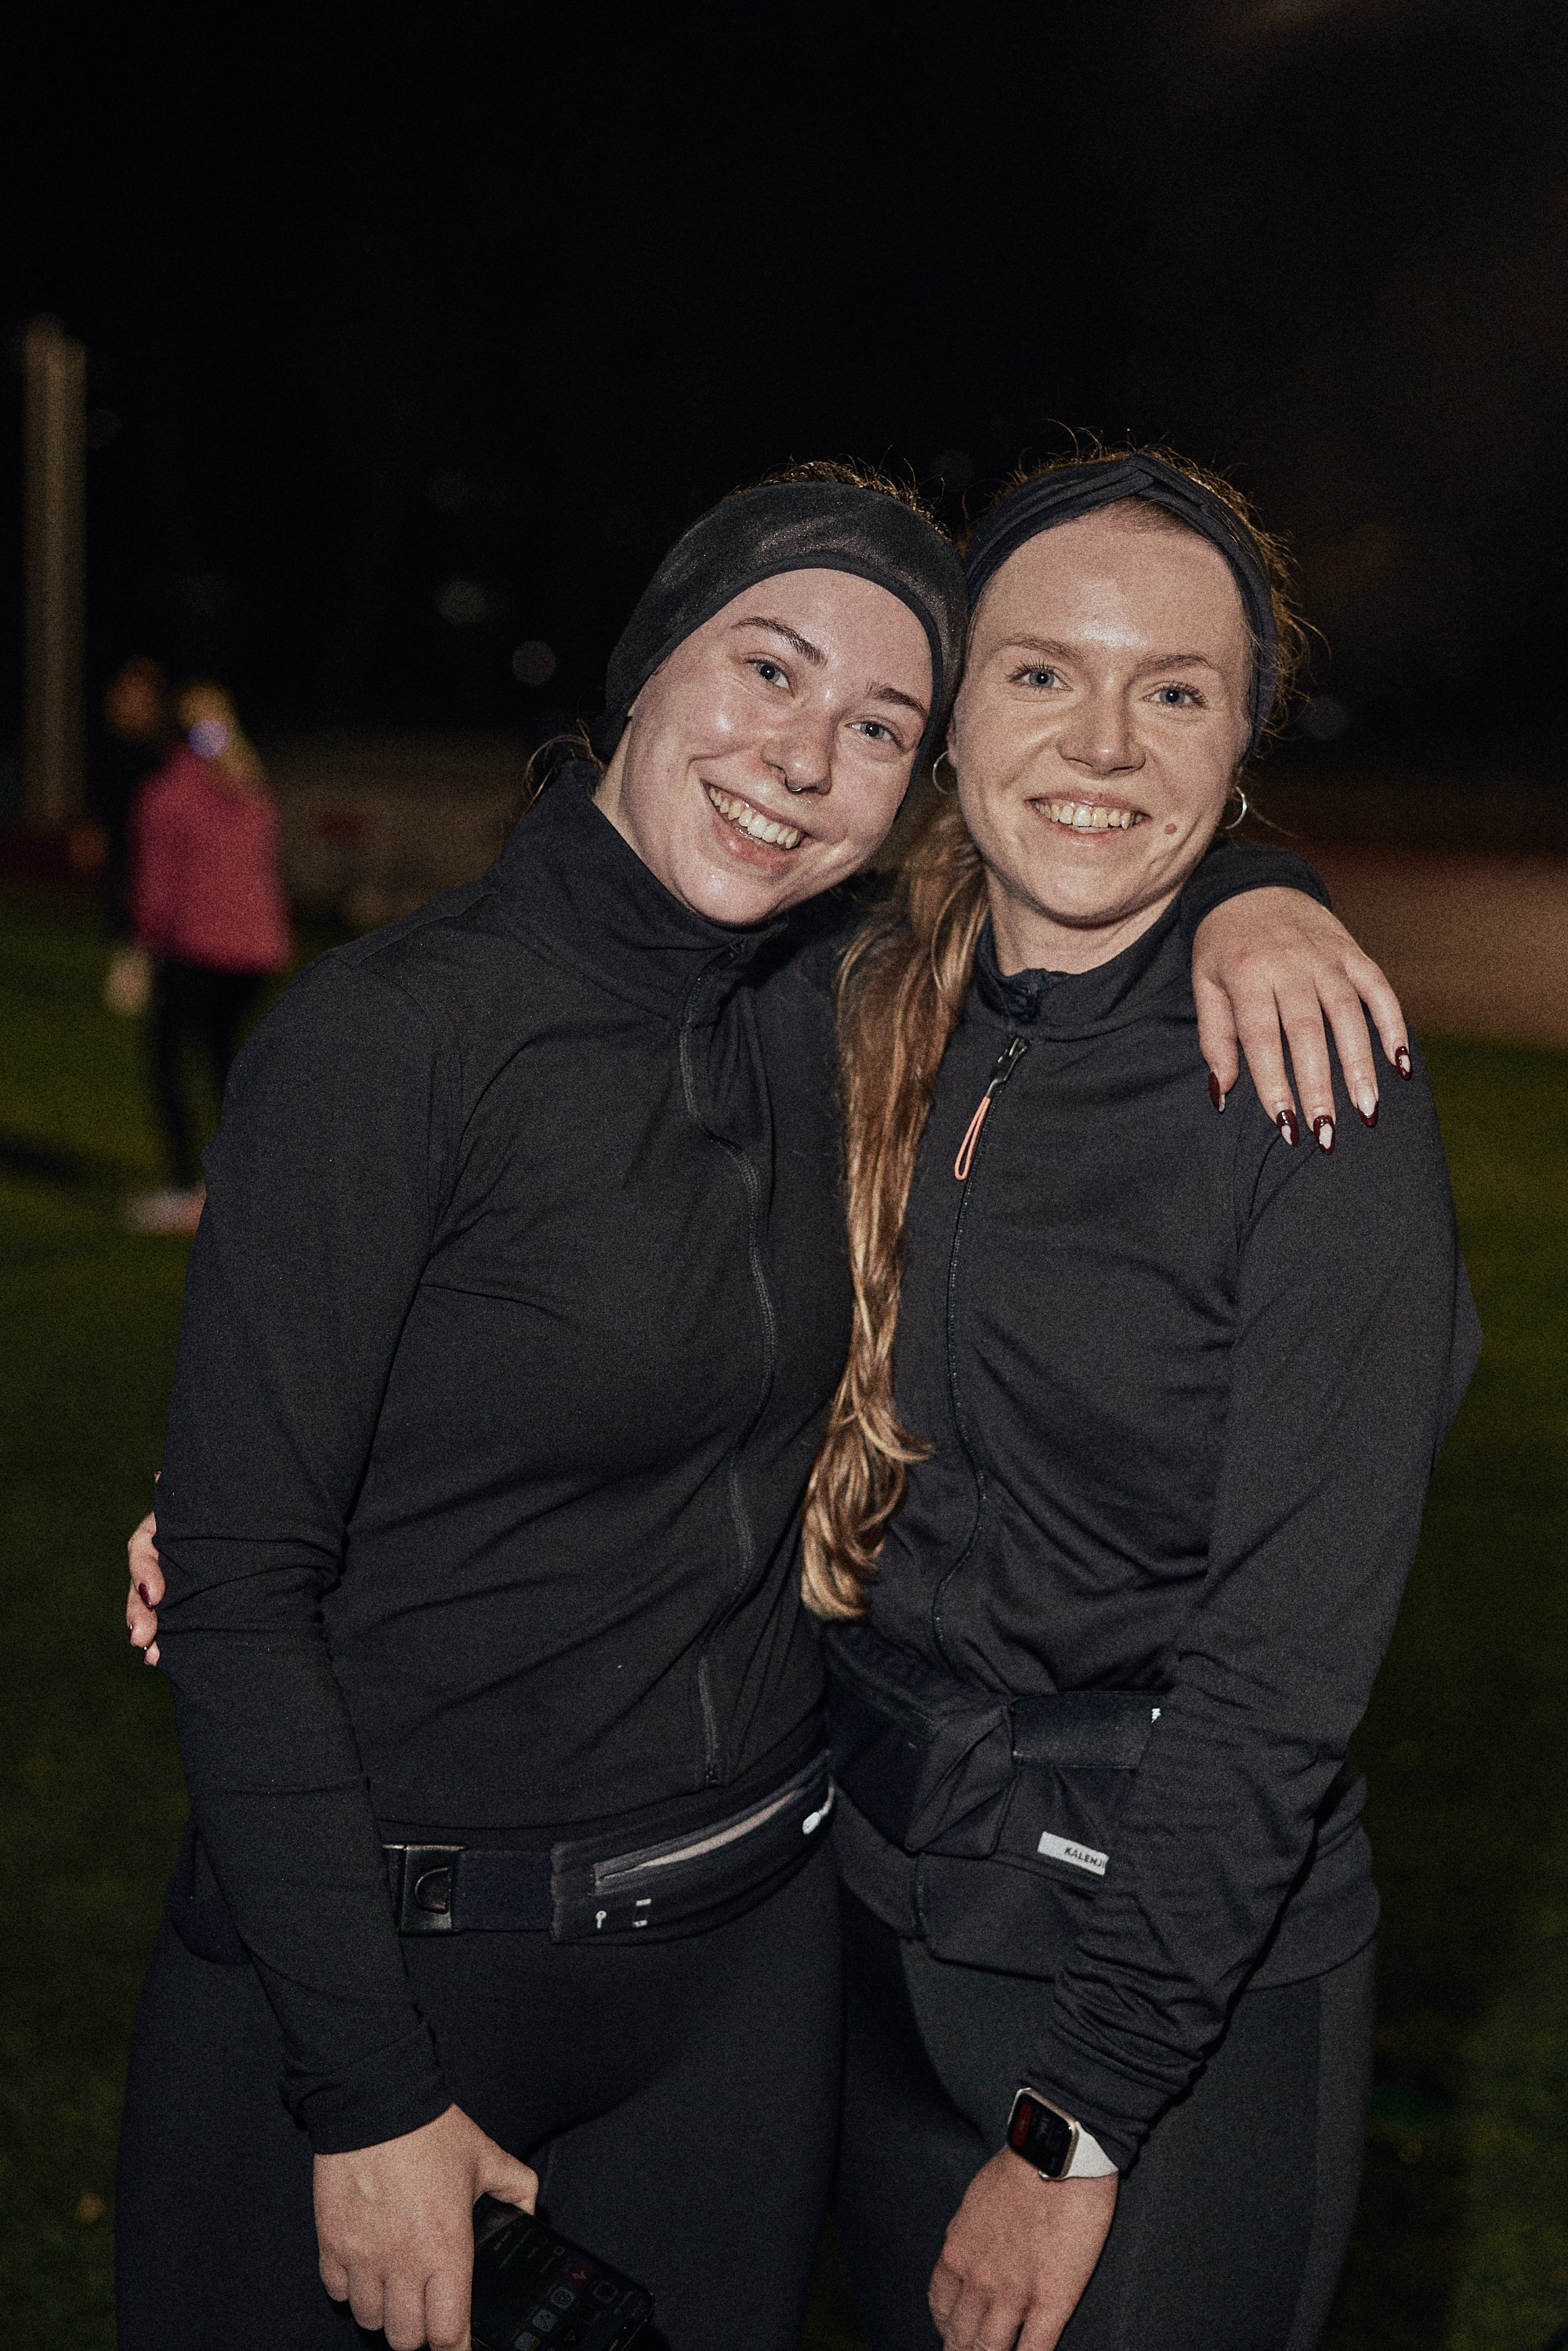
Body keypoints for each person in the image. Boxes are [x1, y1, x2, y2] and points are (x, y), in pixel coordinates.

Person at [120, 465, 1403, 2351]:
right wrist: (363, 2083)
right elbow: (247, 1573)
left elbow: (1096, 833)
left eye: (873, 721)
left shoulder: (907, 1021)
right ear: (644, 669)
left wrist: (1254, 892)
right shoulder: (478, 1031)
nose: (803, 757)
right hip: (415, 1970)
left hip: (746, 1993)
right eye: (765, 670)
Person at [802, 452, 1481, 2351]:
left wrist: (1074, 2114)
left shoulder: (1310, 1094)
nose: (1101, 737)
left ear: (1237, 735)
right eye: (1039, 672)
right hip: (871, 1905)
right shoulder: (863, 1011)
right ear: (947, 711)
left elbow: (1281, 1665)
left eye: (1169, 688)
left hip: (1156, 1989)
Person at [123, 683, 293, 1235]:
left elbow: (155, 889)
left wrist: (139, 952)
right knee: (225, 1064)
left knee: (167, 1063)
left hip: (199, 948)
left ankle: (184, 1192)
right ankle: (241, 1187)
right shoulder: (253, 788)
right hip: (257, 955)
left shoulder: (167, 791)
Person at [87, 657, 169, 1015]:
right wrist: (94, 831)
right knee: (127, 908)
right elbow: (102, 797)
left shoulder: (161, 751)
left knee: (156, 909)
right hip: (126, 840)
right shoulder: (110, 750)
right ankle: (131, 985)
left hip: (159, 842)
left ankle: (149, 982)